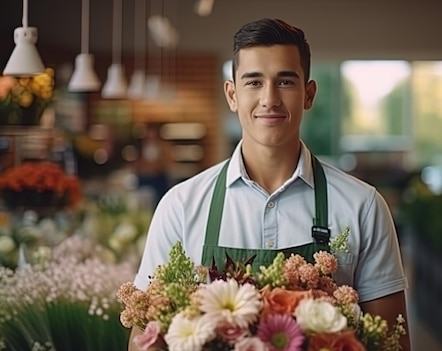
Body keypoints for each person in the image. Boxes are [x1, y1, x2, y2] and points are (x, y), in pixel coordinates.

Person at [130, 18, 410, 350]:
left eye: (286, 82)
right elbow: (144, 338)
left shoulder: (363, 207)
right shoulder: (180, 206)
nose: (270, 99)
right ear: (232, 95)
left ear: (309, 94)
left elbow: (392, 342)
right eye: (253, 82)